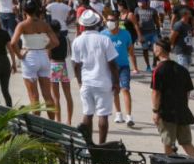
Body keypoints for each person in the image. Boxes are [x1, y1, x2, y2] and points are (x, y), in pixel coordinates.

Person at [71, 9, 119, 144]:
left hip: (86, 82)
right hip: (103, 82)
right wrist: (116, 82)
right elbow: (113, 64)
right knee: (103, 115)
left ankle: (88, 145)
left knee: (87, 113)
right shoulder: (104, 40)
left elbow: (76, 65)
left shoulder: (77, 41)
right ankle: (101, 145)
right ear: (97, 23)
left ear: (82, 25)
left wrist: (80, 81)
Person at [151, 36, 194, 158]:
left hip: (167, 113)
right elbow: (187, 92)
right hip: (182, 112)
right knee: (187, 143)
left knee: (168, 144)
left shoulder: (158, 70)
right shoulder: (182, 70)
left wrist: (155, 112)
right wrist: (183, 106)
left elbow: (156, 93)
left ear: (160, 50)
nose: (153, 50)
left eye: (155, 47)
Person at [11, 0, 58, 119]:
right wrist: (46, 47)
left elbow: (12, 43)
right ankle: (52, 124)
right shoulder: (44, 24)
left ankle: (36, 129)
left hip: (30, 56)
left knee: (34, 97)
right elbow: (56, 42)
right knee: (47, 95)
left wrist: (20, 55)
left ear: (24, 11)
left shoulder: (22, 25)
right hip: (43, 55)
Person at [103, 14, 135, 127]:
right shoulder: (103, 34)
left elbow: (130, 49)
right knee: (115, 90)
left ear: (117, 22)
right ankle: (118, 113)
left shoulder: (125, 34)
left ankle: (129, 116)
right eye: (108, 20)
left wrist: (135, 66)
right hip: (110, 67)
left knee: (125, 89)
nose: (109, 22)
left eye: (112, 20)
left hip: (124, 66)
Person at [48, 18, 74, 125]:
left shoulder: (50, 40)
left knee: (56, 97)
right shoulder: (66, 38)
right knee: (68, 95)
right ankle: (69, 121)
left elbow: (48, 55)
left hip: (54, 66)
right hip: (65, 65)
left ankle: (58, 120)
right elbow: (69, 52)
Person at [134, 0, 159, 71]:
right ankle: (148, 66)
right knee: (145, 49)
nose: (140, 3)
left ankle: (154, 63)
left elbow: (156, 21)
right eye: (139, 1)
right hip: (143, 33)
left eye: (142, 1)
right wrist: (138, 35)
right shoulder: (137, 10)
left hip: (153, 32)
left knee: (156, 49)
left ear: (146, 2)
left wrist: (159, 31)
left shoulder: (153, 10)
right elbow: (135, 22)